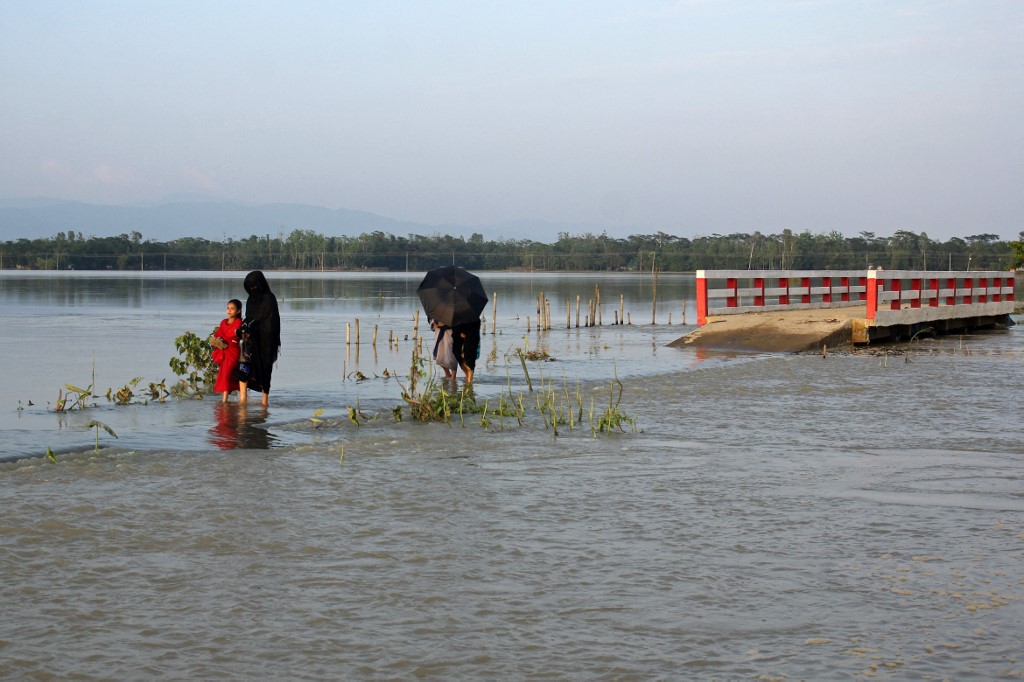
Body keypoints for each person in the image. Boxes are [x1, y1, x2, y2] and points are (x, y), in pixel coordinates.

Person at [238, 271, 281, 406]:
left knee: (264, 371)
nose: (253, 289)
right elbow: (249, 317)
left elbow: (268, 320)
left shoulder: (269, 298)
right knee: (243, 369)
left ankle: (264, 402)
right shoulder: (251, 299)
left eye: (255, 286)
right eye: (250, 287)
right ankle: (243, 401)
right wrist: (243, 329)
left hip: (266, 341)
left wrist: (253, 327)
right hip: (249, 341)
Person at [211, 298, 243, 402]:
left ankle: (224, 401)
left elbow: (232, 334)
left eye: (232, 309)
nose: (229, 311)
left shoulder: (239, 322)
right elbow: (218, 334)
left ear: (238, 311)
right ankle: (234, 397)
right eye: (228, 308)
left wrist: (223, 337)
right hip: (224, 351)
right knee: (225, 374)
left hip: (233, 352)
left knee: (226, 374)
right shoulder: (223, 322)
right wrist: (217, 339)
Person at [451, 317, 482, 383]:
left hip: (471, 341)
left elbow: (475, 330)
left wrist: (467, 335)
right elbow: (455, 330)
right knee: (460, 358)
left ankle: (469, 382)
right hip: (458, 342)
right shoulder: (456, 317)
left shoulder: (474, 317)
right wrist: (459, 333)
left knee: (470, 362)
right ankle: (468, 377)